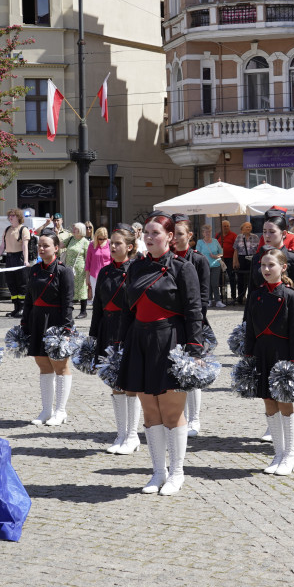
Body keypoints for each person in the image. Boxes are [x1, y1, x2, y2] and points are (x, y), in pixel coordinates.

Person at [117, 211, 205, 496]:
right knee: (150, 410)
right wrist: (122, 345)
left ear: (169, 237)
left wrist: (194, 349)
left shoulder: (183, 267)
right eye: (147, 233)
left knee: (171, 411)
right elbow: (128, 309)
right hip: (140, 340)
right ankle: (157, 471)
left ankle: (177, 473)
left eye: (156, 233)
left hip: (171, 339)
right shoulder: (135, 267)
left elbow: (194, 311)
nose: (150, 237)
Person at [244, 248, 294, 475]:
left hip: (283, 354)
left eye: (271, 265)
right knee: (268, 402)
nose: (266, 270)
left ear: (283, 267)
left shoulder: (291, 295)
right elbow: (250, 327)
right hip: (262, 352)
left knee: (284, 403)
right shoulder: (255, 294)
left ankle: (290, 455)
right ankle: (277, 453)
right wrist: (248, 356)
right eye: (262, 265)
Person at [89, 223, 140, 455]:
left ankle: (132, 435)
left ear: (130, 247)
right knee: (114, 384)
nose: (113, 247)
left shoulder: (137, 270)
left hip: (129, 329)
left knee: (129, 384)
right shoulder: (106, 271)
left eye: (118, 244)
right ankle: (121, 433)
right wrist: (92, 337)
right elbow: (97, 307)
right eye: (111, 243)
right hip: (107, 328)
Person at [22, 232, 75, 427]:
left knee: (60, 366)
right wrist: (25, 322)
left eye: (46, 245)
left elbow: (68, 302)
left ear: (56, 248)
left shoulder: (64, 271)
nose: (41, 249)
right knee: (43, 365)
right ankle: (46, 410)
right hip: (37, 319)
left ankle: (60, 410)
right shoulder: (34, 269)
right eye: (39, 246)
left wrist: (66, 329)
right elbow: (29, 298)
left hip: (56, 320)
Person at [173, 215, 211, 436]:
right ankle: (179, 416)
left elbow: (203, 298)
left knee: (193, 369)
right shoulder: (166, 258)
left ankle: (194, 419)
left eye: (181, 234)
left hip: (194, 323)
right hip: (172, 323)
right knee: (177, 371)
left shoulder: (198, 260)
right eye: (174, 234)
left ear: (189, 236)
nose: (176, 238)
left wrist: (195, 324)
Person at [249, 210, 294, 294]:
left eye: (272, 232)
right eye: (264, 231)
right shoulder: (257, 258)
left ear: (283, 234)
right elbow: (251, 291)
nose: (267, 235)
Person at [0, 208, 31, 318]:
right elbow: (3, 246)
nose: (10, 218)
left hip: (19, 257)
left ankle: (22, 308)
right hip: (10, 258)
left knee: (21, 284)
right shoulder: (7, 230)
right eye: (9, 216)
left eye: (13, 215)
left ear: (18, 217)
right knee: (11, 284)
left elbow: (24, 246)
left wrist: (26, 261)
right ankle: (16, 308)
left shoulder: (23, 229)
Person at [62, 222, 90, 319]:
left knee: (81, 289)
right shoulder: (70, 239)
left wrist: (87, 272)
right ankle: (68, 310)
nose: (73, 230)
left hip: (80, 269)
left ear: (81, 230)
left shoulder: (85, 242)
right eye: (74, 228)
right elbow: (59, 245)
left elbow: (88, 258)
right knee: (69, 288)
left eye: (76, 229)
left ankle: (83, 311)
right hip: (69, 268)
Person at [196, 223, 224, 308]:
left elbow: (221, 253)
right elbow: (197, 253)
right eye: (206, 232)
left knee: (214, 283)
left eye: (209, 232)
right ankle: (209, 300)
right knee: (207, 284)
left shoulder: (215, 241)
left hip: (216, 264)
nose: (208, 233)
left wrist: (216, 256)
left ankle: (218, 301)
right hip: (205, 265)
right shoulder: (200, 242)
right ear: (203, 233)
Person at [232, 222, 258, 304]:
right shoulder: (239, 237)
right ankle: (240, 297)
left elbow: (258, 250)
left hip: (252, 258)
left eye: (250, 226)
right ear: (242, 228)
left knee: (252, 279)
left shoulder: (255, 237)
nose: (248, 228)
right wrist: (235, 261)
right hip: (242, 258)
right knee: (241, 279)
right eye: (246, 227)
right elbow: (235, 250)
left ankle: (251, 297)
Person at [85, 227, 111, 296]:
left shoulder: (110, 244)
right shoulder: (91, 245)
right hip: (94, 275)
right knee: (96, 297)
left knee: (107, 295)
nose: (102, 240)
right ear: (96, 237)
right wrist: (87, 278)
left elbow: (113, 260)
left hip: (107, 275)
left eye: (104, 238)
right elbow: (88, 262)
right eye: (100, 239)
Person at [218, 220, 237, 303]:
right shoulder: (218, 235)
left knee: (231, 277)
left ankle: (233, 296)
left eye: (227, 226)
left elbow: (236, 248)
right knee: (220, 278)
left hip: (230, 259)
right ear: (221, 227)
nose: (225, 227)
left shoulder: (233, 235)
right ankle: (222, 295)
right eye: (224, 226)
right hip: (220, 259)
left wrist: (235, 260)